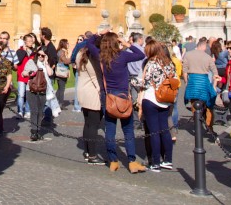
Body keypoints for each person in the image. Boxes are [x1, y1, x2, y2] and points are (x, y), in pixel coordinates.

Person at [86, 31, 147, 173]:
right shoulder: (123, 55)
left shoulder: (101, 56)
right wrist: (126, 43)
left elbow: (89, 43)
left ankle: (113, 160)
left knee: (110, 130)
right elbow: (141, 54)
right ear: (116, 42)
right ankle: (131, 161)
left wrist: (97, 34)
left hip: (109, 97)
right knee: (128, 131)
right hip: (123, 96)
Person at [139, 40, 176, 171]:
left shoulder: (151, 63)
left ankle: (155, 162)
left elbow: (145, 83)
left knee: (154, 132)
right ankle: (168, 159)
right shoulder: (169, 64)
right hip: (165, 100)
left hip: (151, 99)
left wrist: (133, 81)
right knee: (164, 130)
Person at [75, 39, 105, 164]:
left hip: (82, 90)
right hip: (93, 92)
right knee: (93, 124)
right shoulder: (95, 58)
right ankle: (92, 155)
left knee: (87, 123)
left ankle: (87, 151)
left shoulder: (79, 54)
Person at [182, 35, 217, 133]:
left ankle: (197, 124)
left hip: (192, 81)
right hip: (204, 81)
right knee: (209, 104)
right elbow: (215, 72)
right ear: (204, 47)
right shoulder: (207, 57)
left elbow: (184, 71)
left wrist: (186, 82)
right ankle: (209, 126)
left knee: (194, 104)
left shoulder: (188, 55)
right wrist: (214, 84)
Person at [23, 45, 52, 141]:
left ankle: (38, 130)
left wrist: (46, 63)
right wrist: (29, 73)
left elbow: (50, 73)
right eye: (38, 54)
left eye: (42, 56)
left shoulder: (45, 64)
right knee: (34, 110)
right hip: (31, 89)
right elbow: (24, 72)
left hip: (43, 90)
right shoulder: (32, 62)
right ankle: (34, 132)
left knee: (40, 112)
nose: (40, 57)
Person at [15, 33, 37, 118]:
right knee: (21, 94)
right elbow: (18, 61)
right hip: (21, 76)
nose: (31, 42)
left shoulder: (33, 52)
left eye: (31, 41)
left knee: (28, 94)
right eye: (29, 41)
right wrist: (24, 51)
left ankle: (27, 110)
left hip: (30, 76)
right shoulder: (20, 50)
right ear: (25, 41)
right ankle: (20, 111)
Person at [54, 38, 71, 107]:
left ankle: (55, 102)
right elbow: (65, 61)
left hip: (60, 71)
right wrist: (72, 58)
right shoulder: (62, 52)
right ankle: (60, 103)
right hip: (61, 72)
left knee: (60, 88)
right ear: (64, 44)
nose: (68, 44)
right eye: (67, 43)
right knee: (62, 88)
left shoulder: (62, 51)